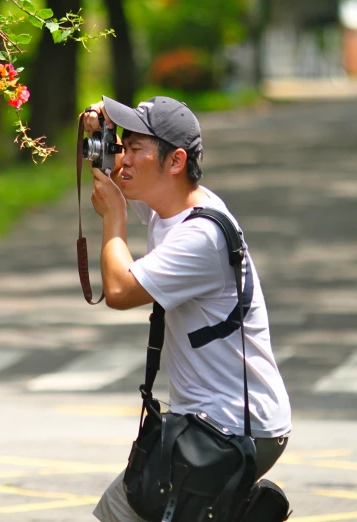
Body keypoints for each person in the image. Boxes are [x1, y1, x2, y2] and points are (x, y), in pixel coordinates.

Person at [82, 96, 292, 521]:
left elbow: (120, 290)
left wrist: (114, 221)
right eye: (122, 144)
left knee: (124, 509)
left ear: (175, 161)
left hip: (233, 426)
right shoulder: (172, 206)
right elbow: (120, 176)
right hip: (212, 420)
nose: (124, 158)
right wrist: (100, 136)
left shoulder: (201, 237)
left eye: (136, 148)